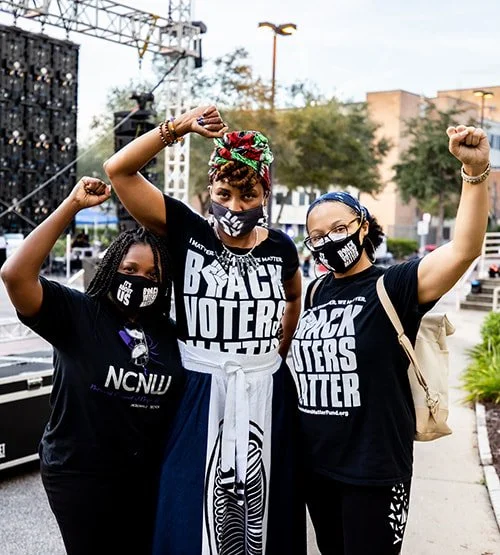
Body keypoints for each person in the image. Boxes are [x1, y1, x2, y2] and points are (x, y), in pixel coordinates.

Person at [103, 108, 306, 554]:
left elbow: (295, 296)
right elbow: (119, 170)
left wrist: (281, 349)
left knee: (265, 506)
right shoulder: (187, 231)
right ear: (208, 191)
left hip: (264, 392)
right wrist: (180, 127)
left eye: (248, 194)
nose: (235, 206)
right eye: (224, 193)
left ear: (265, 194)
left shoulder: (280, 247)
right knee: (189, 504)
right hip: (197, 389)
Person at [290, 124, 490, 555]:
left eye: (338, 228)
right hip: (318, 467)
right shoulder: (316, 291)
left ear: (362, 227)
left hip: (374, 470)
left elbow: (464, 250)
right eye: (317, 237)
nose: (329, 241)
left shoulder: (395, 285)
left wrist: (475, 173)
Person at [0, 177, 185, 555]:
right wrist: (71, 206)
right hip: (80, 475)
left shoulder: (169, 334)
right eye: (130, 269)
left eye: (152, 276)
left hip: (145, 477)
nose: (139, 280)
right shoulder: (77, 313)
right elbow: (15, 275)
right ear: (112, 266)